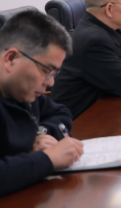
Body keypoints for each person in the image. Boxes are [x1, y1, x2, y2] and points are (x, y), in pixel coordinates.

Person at [0, 11, 84, 197]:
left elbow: (61, 112)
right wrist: (48, 159)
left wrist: (41, 133)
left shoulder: (23, 91)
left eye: (54, 73)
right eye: (46, 70)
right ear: (11, 59)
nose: (51, 82)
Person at [51, 0, 121, 118]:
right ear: (109, 9)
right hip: (77, 121)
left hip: (99, 109)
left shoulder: (109, 29)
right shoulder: (95, 41)